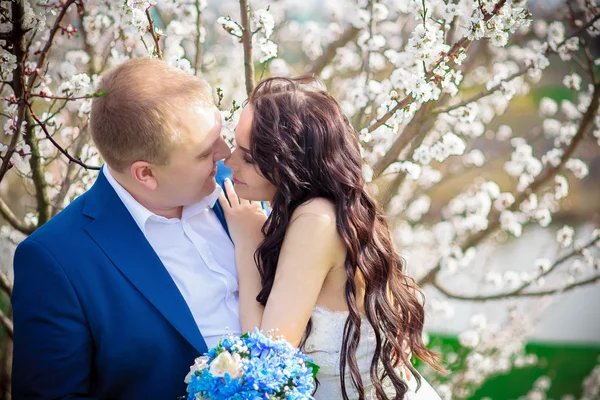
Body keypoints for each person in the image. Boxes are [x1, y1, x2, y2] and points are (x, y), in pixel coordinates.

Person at [11, 58, 237, 399]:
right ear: (145, 174)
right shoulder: (56, 261)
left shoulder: (244, 185)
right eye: (206, 152)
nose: (227, 153)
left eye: (219, 134)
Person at [219, 76, 445, 399]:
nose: (229, 163)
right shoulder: (338, 209)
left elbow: (268, 359)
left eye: (249, 158)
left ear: (290, 162)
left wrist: (246, 246)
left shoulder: (316, 220)